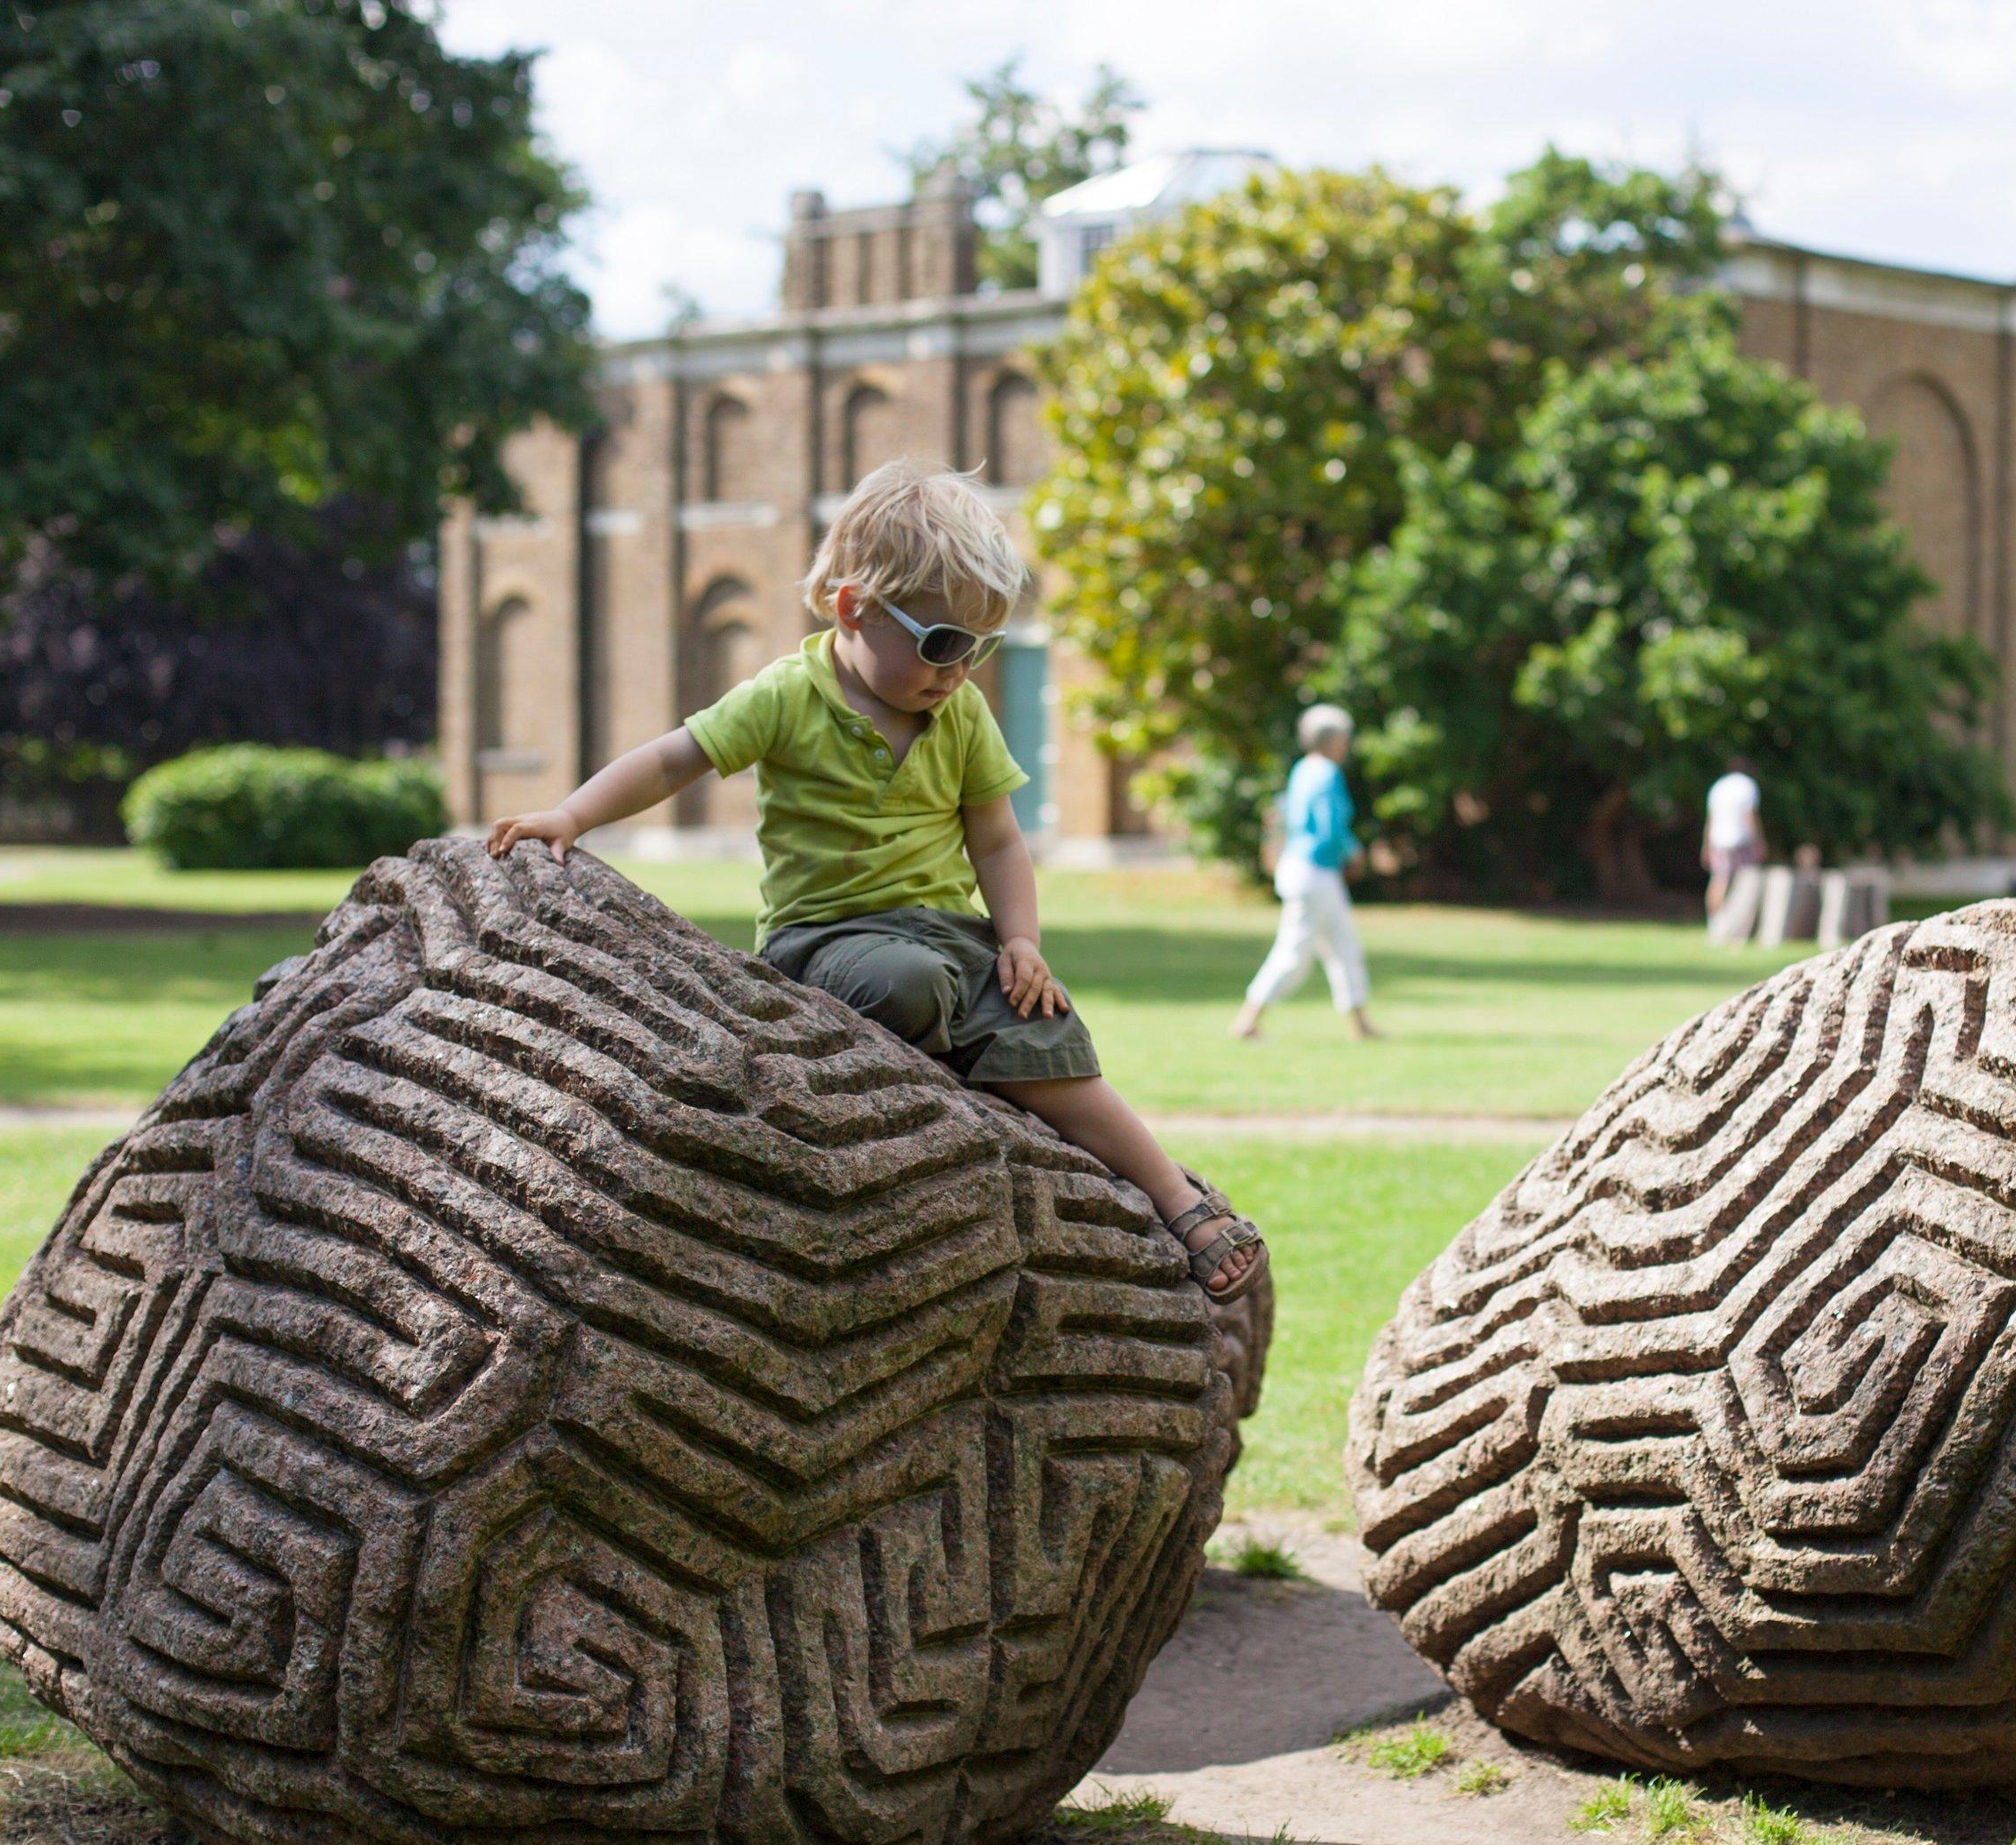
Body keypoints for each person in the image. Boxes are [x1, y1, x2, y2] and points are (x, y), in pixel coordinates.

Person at [485, 460, 1264, 1298]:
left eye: (981, 647)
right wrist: (571, 816)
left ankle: (1176, 1199)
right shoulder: (787, 695)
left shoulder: (959, 711)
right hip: (827, 935)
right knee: (910, 983)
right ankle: (922, 1122)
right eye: (942, 643)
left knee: (1049, 1032)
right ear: (853, 607)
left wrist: (1021, 941)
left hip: (951, 935)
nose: (960, 668)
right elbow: (674, 758)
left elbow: (997, 840)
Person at [1231, 704, 1379, 1042]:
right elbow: (1330, 826)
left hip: (1308, 870)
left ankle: (1360, 1024)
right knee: (1295, 951)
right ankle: (1248, 1019)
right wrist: (1354, 851)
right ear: (1331, 739)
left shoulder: (1302, 769)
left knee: (1344, 947)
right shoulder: (1326, 773)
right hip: (1314, 872)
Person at [1702, 758, 1764, 918]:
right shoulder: (1747, 786)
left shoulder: (1719, 786)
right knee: (1743, 885)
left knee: (1719, 880)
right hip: (1740, 842)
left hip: (1718, 841)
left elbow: (1710, 819)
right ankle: (1737, 923)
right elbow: (1749, 816)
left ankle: (1714, 921)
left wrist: (1706, 846)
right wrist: (1758, 842)